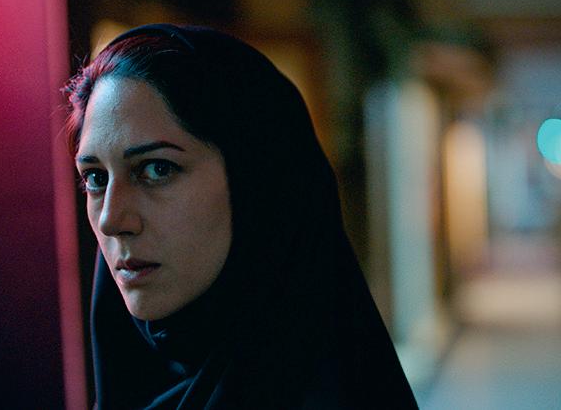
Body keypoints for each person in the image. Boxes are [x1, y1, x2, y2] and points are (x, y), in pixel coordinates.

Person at [65, 24, 417, 409]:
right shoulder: (131, 389)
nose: (111, 220)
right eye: (95, 178)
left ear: (257, 185)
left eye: (157, 169)